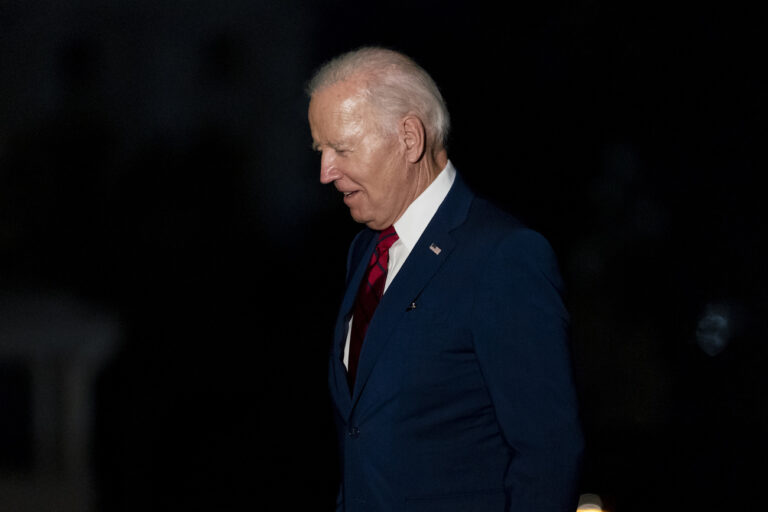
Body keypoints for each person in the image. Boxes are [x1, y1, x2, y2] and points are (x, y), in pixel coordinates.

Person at [307, 46, 583, 512]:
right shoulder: (365, 252)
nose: (325, 172)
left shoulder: (503, 257)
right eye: (321, 150)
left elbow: (547, 458)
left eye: (342, 148)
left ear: (409, 138)